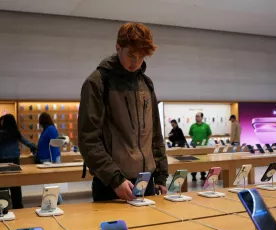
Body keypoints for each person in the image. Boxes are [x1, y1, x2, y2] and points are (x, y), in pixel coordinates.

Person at [78, 22, 168, 202]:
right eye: (131, 55)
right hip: (112, 184)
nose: (136, 62)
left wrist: (160, 174)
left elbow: (155, 133)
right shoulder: (97, 82)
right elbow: (89, 139)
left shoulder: (146, 84)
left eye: (141, 57)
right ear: (118, 47)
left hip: (147, 181)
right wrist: (115, 179)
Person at [0, 114, 36, 209]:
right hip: (15, 161)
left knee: (2, 185)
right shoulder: (15, 132)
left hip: (2, 161)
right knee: (16, 186)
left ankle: (1, 207)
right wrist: (34, 147)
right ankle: (18, 206)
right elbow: (26, 141)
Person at [37, 112, 63, 204]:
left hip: (50, 160)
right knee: (48, 182)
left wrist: (54, 161)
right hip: (46, 159)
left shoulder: (50, 129)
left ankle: (56, 201)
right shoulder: (46, 130)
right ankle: (51, 201)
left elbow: (54, 145)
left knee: (52, 182)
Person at [189, 112, 212, 181]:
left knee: (203, 161)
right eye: (196, 116)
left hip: (203, 147)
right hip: (195, 147)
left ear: (202, 117)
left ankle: (203, 175)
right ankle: (193, 176)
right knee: (194, 162)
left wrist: (206, 140)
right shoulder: (193, 126)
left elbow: (209, 134)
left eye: (198, 116)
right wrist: (194, 140)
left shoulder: (206, 126)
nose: (196, 118)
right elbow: (191, 134)